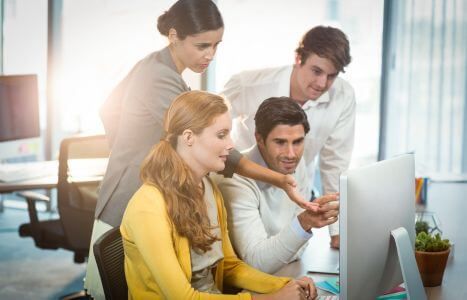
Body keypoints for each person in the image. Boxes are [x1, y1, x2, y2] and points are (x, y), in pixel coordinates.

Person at [85, 1, 317, 298]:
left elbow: (109, 110)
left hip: (156, 186)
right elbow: (218, 148)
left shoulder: (157, 66)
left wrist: (127, 147)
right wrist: (134, 155)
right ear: (173, 36)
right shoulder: (157, 77)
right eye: (202, 45)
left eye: (216, 45)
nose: (210, 54)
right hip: (132, 196)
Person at [120, 90, 317, 299]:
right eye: (221, 135)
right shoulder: (148, 206)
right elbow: (183, 297)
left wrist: (286, 285)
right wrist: (270, 298)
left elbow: (230, 266)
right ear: (188, 138)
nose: (231, 144)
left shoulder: (208, 189)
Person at [221, 26, 355, 249]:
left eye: (331, 76)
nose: (322, 84)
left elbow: (334, 165)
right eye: (316, 71)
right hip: (245, 193)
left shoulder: (343, 96)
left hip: (295, 194)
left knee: (292, 259)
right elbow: (207, 129)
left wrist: (337, 231)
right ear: (298, 58)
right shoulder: (248, 85)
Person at [214, 97, 339, 273]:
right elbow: (257, 262)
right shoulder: (234, 180)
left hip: (286, 273)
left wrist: (282, 247)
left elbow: (298, 249)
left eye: (298, 142)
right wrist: (303, 223)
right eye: (280, 142)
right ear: (259, 138)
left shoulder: (296, 162)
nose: (291, 154)